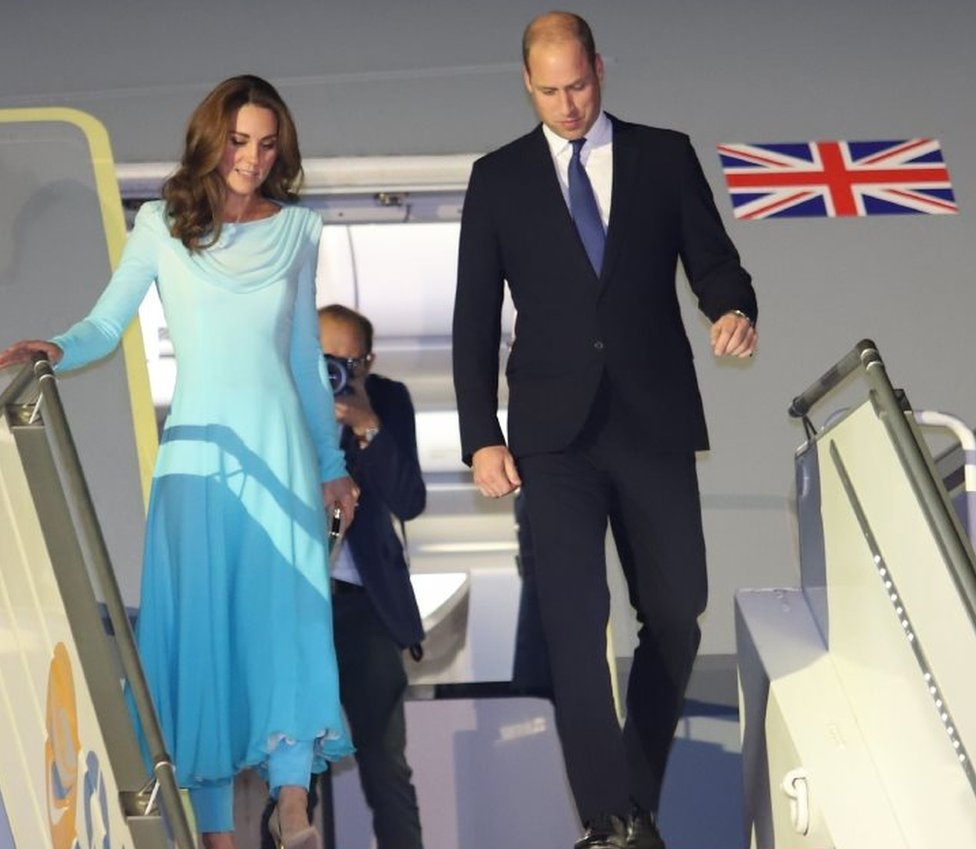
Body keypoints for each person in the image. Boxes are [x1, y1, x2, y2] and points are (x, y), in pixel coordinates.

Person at [0, 74, 358, 849]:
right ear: (211, 138)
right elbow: (107, 321)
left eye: (267, 144)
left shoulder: (298, 232)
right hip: (197, 464)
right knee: (201, 637)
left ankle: (293, 797)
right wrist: (56, 347)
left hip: (285, 462)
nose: (253, 158)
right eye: (239, 141)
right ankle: (215, 830)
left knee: (289, 622)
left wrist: (331, 464)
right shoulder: (163, 226)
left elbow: (302, 363)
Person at [452, 12, 758, 849]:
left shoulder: (664, 154)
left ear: (600, 70)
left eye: (578, 84)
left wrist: (731, 307)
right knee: (574, 616)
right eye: (549, 90)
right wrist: (481, 433)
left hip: (652, 421)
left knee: (678, 609)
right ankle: (611, 818)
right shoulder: (498, 178)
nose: (567, 103)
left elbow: (714, 259)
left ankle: (636, 798)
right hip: (551, 438)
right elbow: (475, 316)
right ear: (527, 83)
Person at [261, 304, 426, 849]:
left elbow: (409, 499)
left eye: (346, 363)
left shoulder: (387, 400)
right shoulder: (278, 392)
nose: (333, 372)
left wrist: (366, 425)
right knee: (289, 767)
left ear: (367, 363)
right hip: (292, 602)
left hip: (366, 605)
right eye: (323, 358)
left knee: (385, 764)